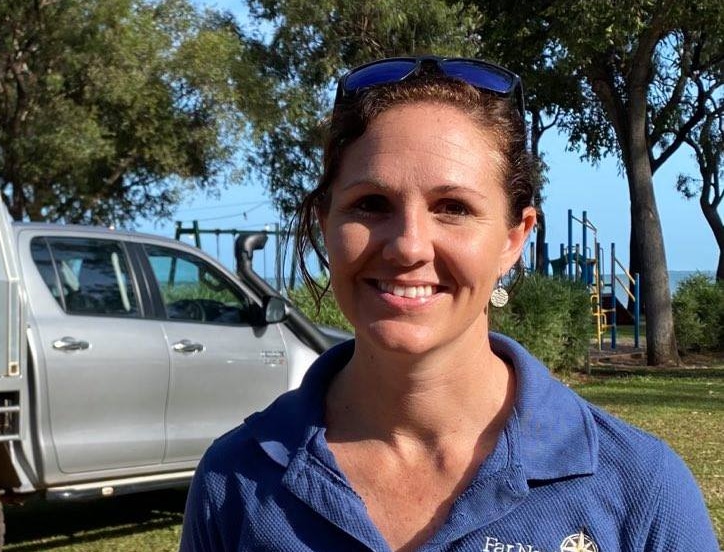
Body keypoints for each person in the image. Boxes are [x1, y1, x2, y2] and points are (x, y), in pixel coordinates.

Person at [180, 56, 718, 552]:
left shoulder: (640, 488)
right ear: (327, 225)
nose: (408, 245)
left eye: (453, 207)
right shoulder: (235, 481)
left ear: (514, 238)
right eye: (371, 204)